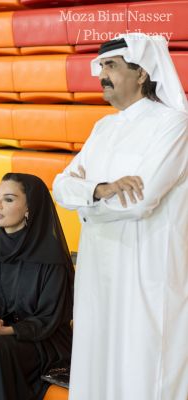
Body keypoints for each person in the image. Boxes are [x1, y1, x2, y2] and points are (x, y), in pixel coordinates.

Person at [53, 33, 188, 400]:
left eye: (111, 65)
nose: (103, 75)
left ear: (141, 73)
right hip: (99, 269)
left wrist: (88, 201)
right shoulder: (103, 128)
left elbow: (141, 202)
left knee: (143, 365)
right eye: (101, 67)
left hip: (145, 270)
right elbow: (60, 187)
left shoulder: (174, 124)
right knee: (98, 360)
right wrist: (98, 190)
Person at [0, 173, 74, 400]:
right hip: (0, 335)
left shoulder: (51, 255)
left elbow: (49, 318)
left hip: (42, 340)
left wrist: (6, 331)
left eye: (8, 199)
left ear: (30, 208)